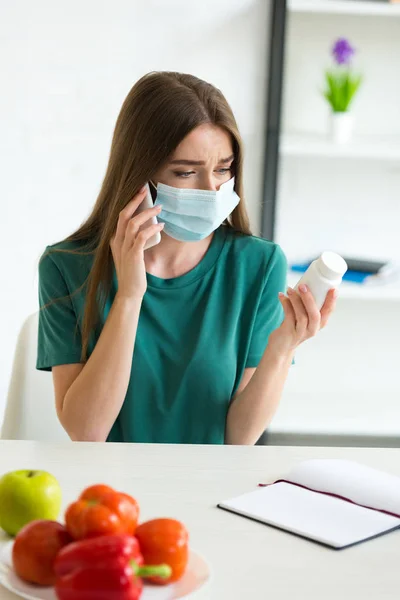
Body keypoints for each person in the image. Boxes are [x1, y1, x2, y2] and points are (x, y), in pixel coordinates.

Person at [37, 71, 336, 445]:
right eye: (185, 172)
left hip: (208, 493)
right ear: (138, 174)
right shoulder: (65, 266)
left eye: (223, 168)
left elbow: (239, 437)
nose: (211, 190)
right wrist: (130, 294)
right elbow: (86, 431)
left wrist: (282, 347)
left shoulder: (259, 266)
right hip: (109, 496)